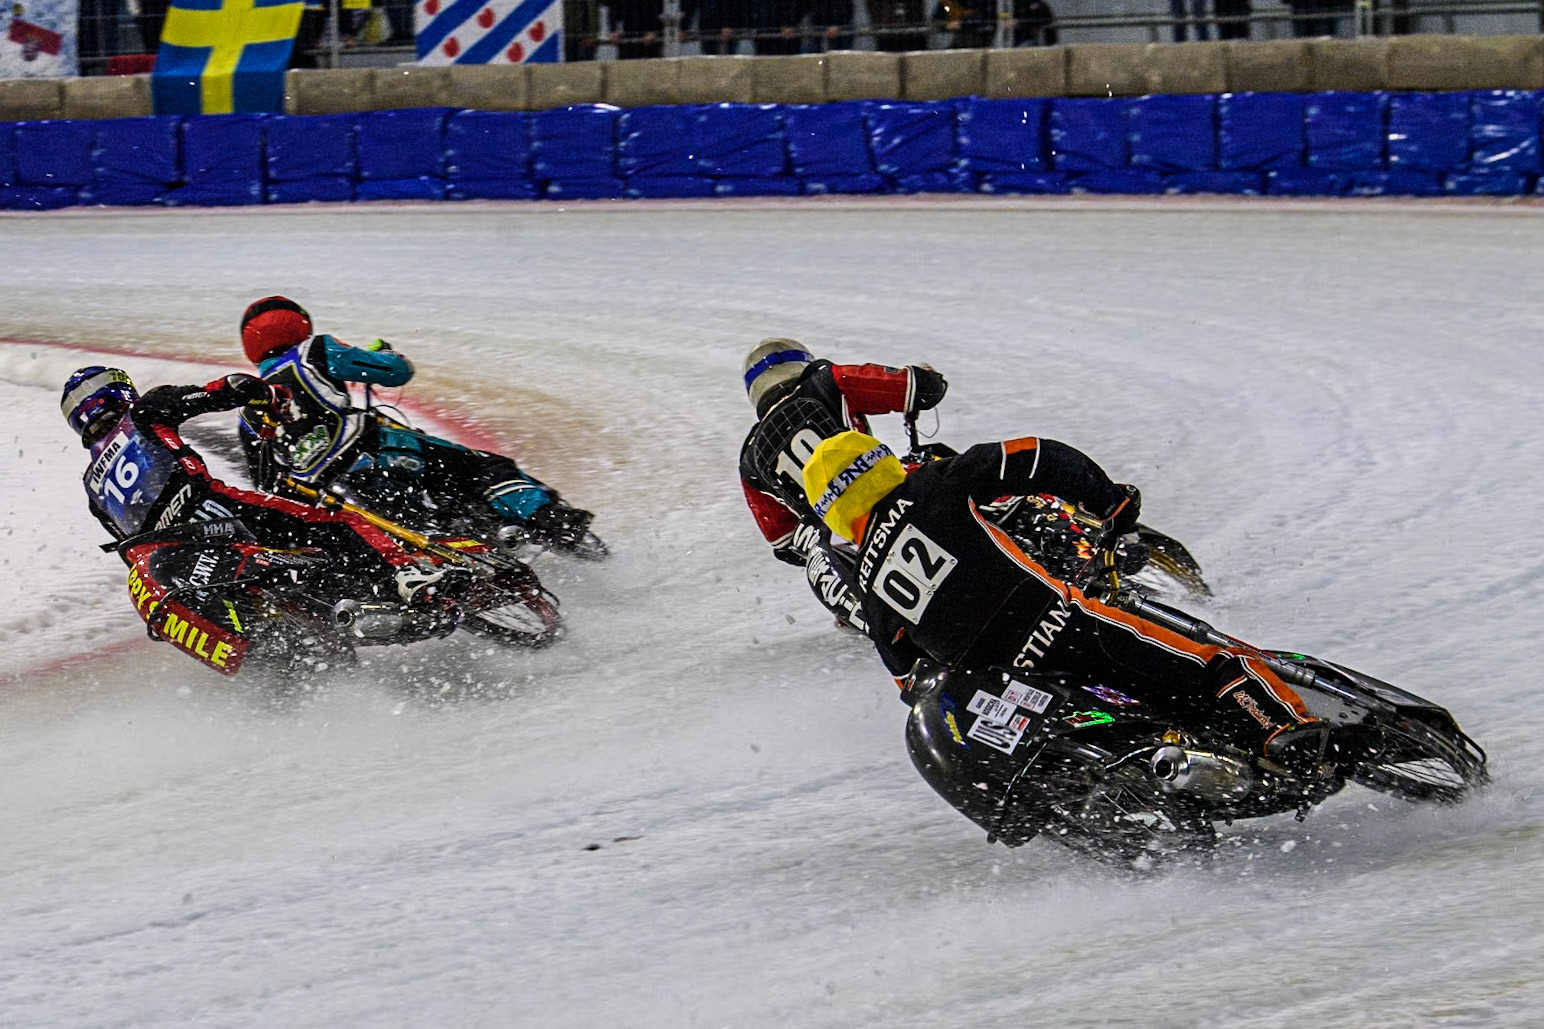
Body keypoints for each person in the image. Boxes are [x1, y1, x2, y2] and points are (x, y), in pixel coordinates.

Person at [800, 429, 1324, 762]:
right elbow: (1039, 456)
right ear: (881, 463)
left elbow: (906, 677)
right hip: (1061, 623)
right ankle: (1284, 731)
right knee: (1210, 664)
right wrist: (1113, 507)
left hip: (1013, 687)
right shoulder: (937, 481)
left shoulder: (868, 587)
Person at [234, 296, 596, 555]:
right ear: (300, 325)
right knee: (481, 466)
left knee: (417, 526)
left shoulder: (247, 405)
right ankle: (550, 518)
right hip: (377, 450)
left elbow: (263, 482)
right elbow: (396, 372)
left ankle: (458, 558)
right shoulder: (314, 351)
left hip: (334, 492)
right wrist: (384, 353)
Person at [62, 366, 447, 605]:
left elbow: (129, 551)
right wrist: (264, 394)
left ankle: (322, 600)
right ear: (116, 391)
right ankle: (407, 574)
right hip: (214, 510)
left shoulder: (91, 487)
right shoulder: (144, 411)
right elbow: (223, 390)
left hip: (174, 553)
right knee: (336, 523)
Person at [739, 338, 947, 630]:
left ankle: (864, 613)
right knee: (943, 460)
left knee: (815, 550)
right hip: (896, 498)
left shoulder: (749, 460)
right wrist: (928, 378)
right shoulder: (828, 382)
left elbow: (784, 543)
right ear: (801, 362)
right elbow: (914, 386)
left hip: (849, 544)